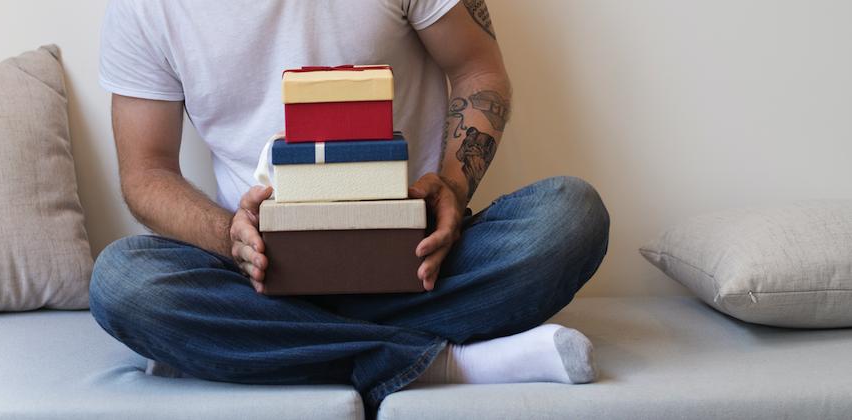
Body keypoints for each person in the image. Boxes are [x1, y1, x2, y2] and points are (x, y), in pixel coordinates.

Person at [90, 0, 610, 412]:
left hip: (414, 258)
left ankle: (257, 349)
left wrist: (452, 185)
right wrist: (230, 234)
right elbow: (147, 173)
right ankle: (441, 363)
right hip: (262, 277)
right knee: (121, 282)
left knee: (570, 215)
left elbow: (478, 70)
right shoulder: (144, 6)